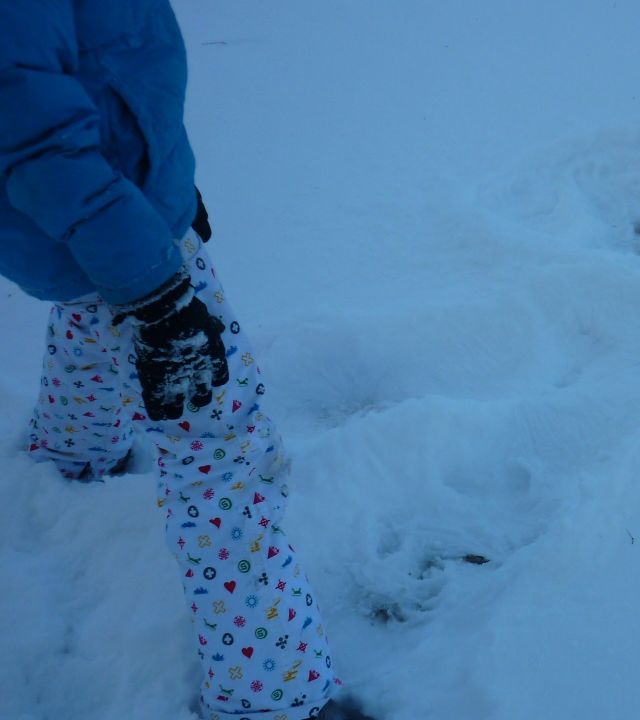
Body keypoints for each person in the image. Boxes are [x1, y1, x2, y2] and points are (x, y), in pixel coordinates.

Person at [0, 2, 372, 719]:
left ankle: (70, 456)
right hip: (123, 240)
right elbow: (38, 146)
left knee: (91, 316)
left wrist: (165, 183)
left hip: (116, 215)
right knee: (219, 444)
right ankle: (272, 696)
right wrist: (157, 292)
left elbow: (102, 63)